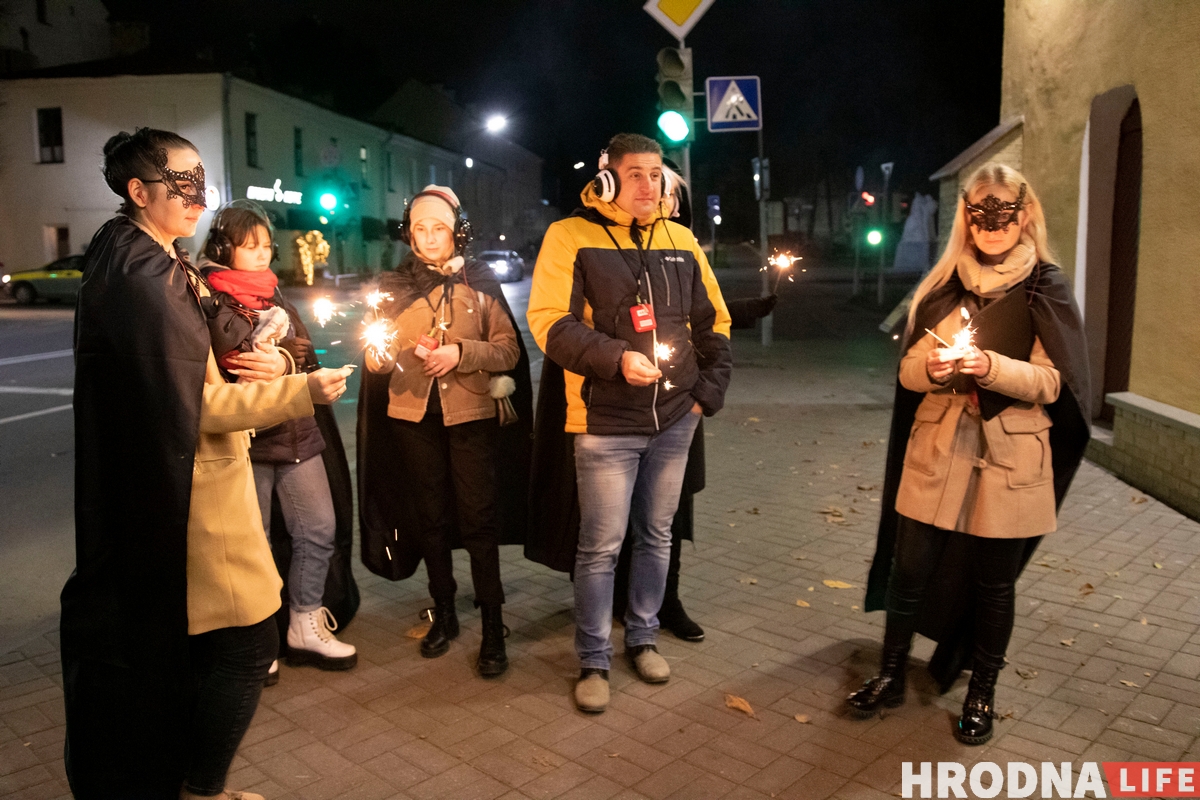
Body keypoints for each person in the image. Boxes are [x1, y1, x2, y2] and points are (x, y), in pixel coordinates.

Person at [62, 127, 351, 799]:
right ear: (139, 191)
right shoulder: (145, 273)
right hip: (193, 501)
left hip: (181, 495)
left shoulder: (147, 258)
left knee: (203, 650)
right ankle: (201, 788)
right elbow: (191, 407)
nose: (197, 197)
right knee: (249, 647)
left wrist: (277, 354)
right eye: (180, 183)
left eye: (201, 182)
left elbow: (202, 370)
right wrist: (300, 390)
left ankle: (184, 781)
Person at [852, 163, 1091, 745]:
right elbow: (908, 372)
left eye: (1001, 210)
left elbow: (1055, 383)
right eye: (978, 210)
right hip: (937, 447)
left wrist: (990, 367)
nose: (989, 223)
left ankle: (982, 692)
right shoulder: (943, 285)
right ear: (966, 215)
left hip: (1010, 457)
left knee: (993, 584)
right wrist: (931, 369)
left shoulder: (1044, 286)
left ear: (1023, 213)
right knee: (908, 571)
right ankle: (891, 674)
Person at [526, 133, 732, 713]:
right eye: (636, 174)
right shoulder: (569, 236)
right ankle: (593, 658)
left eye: (656, 174)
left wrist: (704, 397)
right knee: (599, 546)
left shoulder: (681, 238)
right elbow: (549, 324)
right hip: (603, 423)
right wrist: (616, 359)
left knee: (657, 535)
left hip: (675, 421)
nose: (650, 185)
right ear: (610, 179)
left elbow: (715, 321)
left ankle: (642, 637)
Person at [359, 185, 530, 677]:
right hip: (412, 418)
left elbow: (509, 352)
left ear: (456, 231)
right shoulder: (391, 286)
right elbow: (376, 356)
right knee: (429, 517)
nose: (430, 238)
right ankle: (445, 612)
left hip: (471, 418)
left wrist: (461, 354)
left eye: (439, 228)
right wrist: (379, 354)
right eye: (420, 229)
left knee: (479, 519)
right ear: (408, 233)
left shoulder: (481, 283)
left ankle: (494, 623)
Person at [611, 162, 776, 642]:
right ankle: (624, 601)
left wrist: (704, 395)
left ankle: (668, 601)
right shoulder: (618, 249)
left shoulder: (682, 249)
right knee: (623, 516)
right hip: (624, 410)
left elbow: (707, 312)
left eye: (673, 197)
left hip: (681, 408)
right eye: (659, 191)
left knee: (672, 513)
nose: (667, 203)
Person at [199, 200, 359, 683]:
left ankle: (305, 623)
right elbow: (229, 355)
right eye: (250, 246)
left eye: (267, 245)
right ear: (225, 248)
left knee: (318, 529)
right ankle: (261, 637)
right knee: (255, 543)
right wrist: (270, 358)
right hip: (247, 438)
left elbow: (305, 349)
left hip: (296, 431)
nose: (262, 254)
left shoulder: (274, 296)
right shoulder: (208, 297)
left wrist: (286, 363)